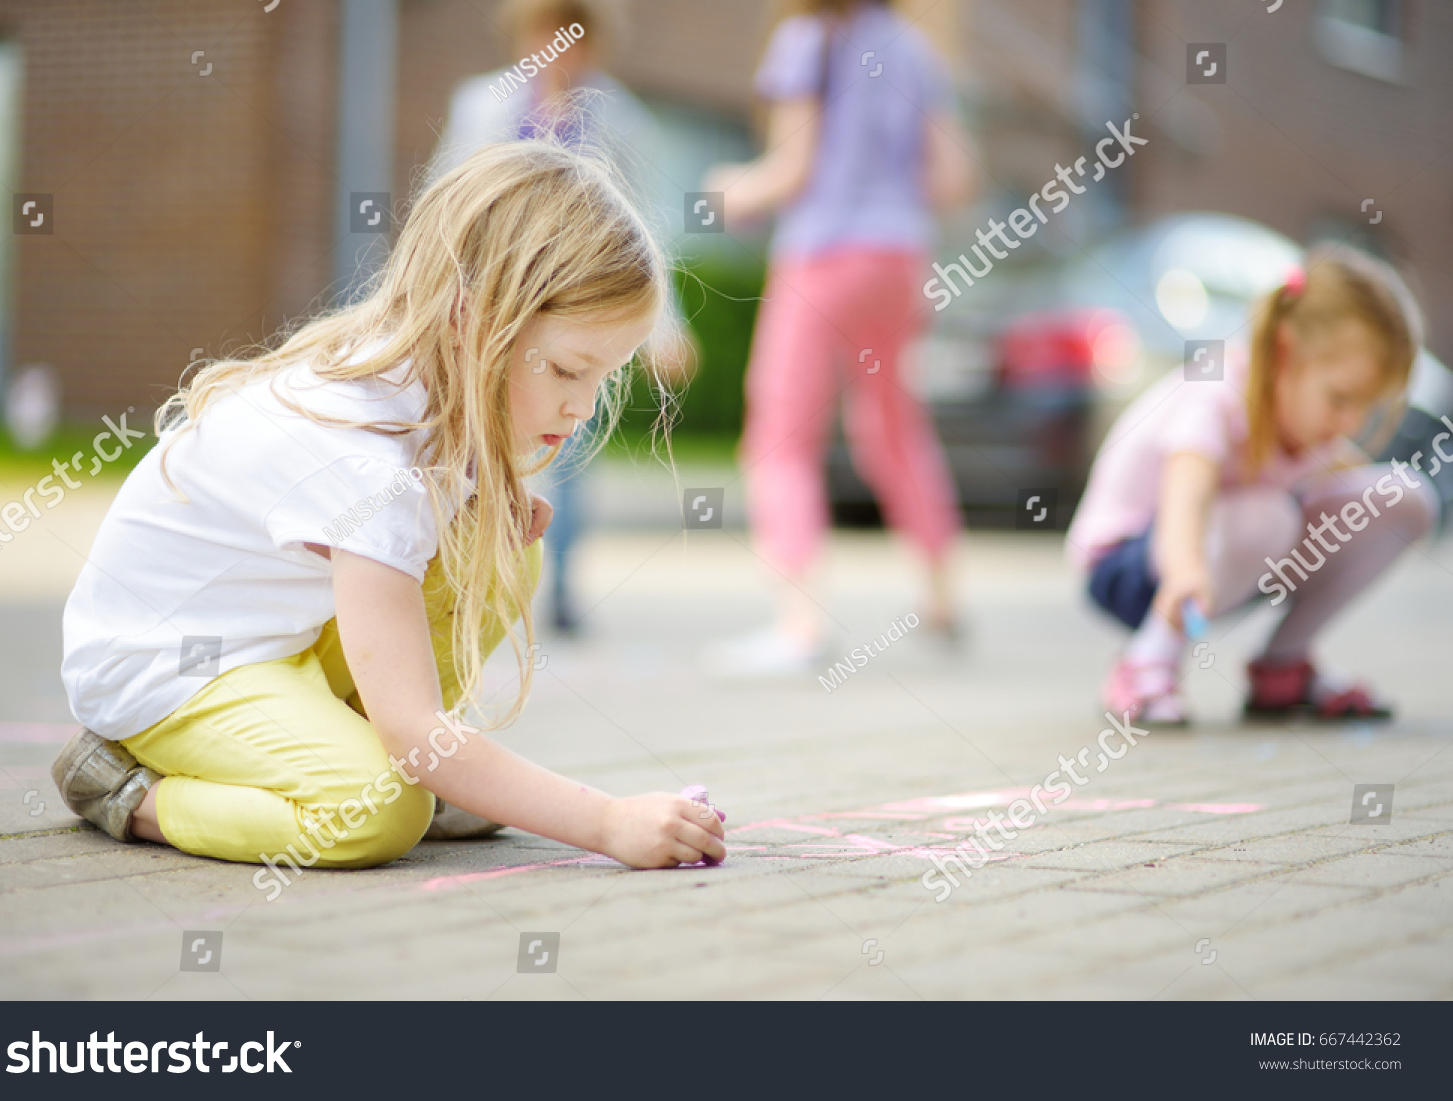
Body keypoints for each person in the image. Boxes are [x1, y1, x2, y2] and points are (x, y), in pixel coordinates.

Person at [51, 140, 725, 873]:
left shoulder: (423, 395)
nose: (584, 405)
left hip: (270, 643)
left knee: (501, 537)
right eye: (567, 369)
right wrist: (606, 821)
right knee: (376, 809)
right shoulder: (365, 459)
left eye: (604, 376)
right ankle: (120, 787)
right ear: (474, 320)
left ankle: (411, 765)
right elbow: (413, 726)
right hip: (164, 669)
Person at [702, 0, 974, 674]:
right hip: (899, 259)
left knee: (780, 436)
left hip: (823, 257)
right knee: (893, 424)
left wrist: (732, 189)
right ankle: (941, 596)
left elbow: (790, 172)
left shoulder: (806, 39)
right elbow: (954, 179)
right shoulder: (913, 47)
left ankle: (799, 625)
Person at [1068, 246, 1437, 724]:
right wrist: (1183, 570)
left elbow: (1354, 490)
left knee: (1403, 498)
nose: (1350, 422)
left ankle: (1281, 669)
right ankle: (1146, 661)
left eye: (1366, 408)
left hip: (1222, 562)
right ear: (1285, 353)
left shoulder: (1312, 422)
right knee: (1269, 516)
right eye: (1341, 398)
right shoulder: (1220, 396)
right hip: (1133, 570)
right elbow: (1188, 492)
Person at [428, 0, 690, 634]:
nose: (559, 49)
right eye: (547, 32)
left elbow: (644, 229)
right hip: (495, 306)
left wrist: (666, 326)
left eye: (574, 36)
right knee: (471, 439)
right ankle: (458, 577)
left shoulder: (620, 119)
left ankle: (557, 581)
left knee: (564, 445)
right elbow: (448, 201)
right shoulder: (484, 105)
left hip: (574, 311)